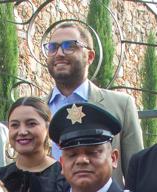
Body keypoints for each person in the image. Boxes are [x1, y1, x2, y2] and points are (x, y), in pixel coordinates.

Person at [43, 20, 144, 180]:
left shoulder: (120, 105)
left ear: (90, 56)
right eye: (52, 47)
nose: (60, 53)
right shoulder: (36, 111)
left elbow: (137, 174)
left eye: (70, 46)